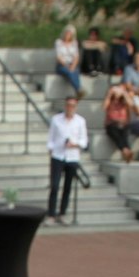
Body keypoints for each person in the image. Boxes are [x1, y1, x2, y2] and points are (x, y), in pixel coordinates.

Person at [47, 96, 88, 225]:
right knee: (54, 185)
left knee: (67, 187)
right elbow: (51, 137)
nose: (70, 108)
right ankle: (51, 214)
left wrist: (74, 144)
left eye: (73, 106)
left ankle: (62, 213)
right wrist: (51, 148)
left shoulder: (80, 121)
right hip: (58, 155)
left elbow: (84, 141)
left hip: (72, 157)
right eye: (68, 105)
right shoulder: (56, 120)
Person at [102, 82, 136, 164]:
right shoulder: (110, 99)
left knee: (124, 133)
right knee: (115, 133)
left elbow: (131, 105)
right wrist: (110, 94)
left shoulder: (125, 100)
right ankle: (126, 150)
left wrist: (124, 93)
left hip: (123, 123)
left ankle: (125, 151)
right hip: (112, 123)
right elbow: (103, 107)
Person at [54, 26, 84, 95]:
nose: (67, 35)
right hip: (62, 64)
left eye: (70, 34)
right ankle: (78, 89)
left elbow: (76, 56)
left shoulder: (74, 43)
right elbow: (58, 57)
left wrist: (73, 66)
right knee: (69, 71)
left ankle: (78, 90)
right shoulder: (58, 42)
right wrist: (67, 66)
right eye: (66, 33)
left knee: (75, 70)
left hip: (72, 63)